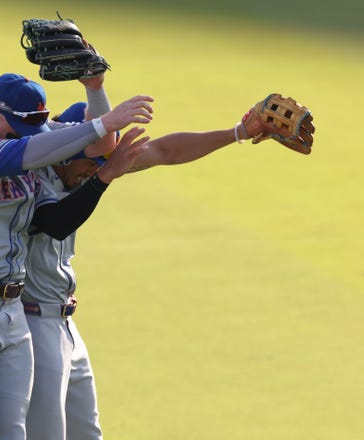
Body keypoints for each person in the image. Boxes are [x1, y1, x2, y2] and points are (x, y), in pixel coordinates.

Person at [21, 96, 296, 440]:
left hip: (64, 324)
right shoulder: (30, 176)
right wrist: (104, 174)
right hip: (31, 322)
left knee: (88, 434)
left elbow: (166, 151)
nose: (93, 171)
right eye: (90, 164)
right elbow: (55, 221)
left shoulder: (86, 166)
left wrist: (238, 132)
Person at [0, 68, 154, 439]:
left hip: (10, 311)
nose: (29, 142)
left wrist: (96, 94)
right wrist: (103, 122)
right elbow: (26, 149)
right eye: (20, 132)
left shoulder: (22, 157)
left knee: (13, 432)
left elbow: (56, 218)